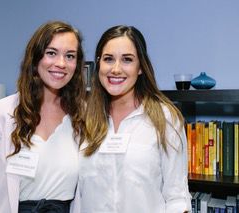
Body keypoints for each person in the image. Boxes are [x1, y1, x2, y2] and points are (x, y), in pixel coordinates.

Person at [0, 21, 86, 213]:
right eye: (51, 53)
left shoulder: (84, 116)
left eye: (70, 56)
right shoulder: (0, 113)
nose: (61, 63)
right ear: (35, 57)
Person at [74, 25, 192, 212]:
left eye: (127, 60)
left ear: (140, 68)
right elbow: (78, 196)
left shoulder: (165, 118)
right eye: (108, 59)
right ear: (99, 65)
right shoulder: (84, 118)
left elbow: (177, 197)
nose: (116, 69)